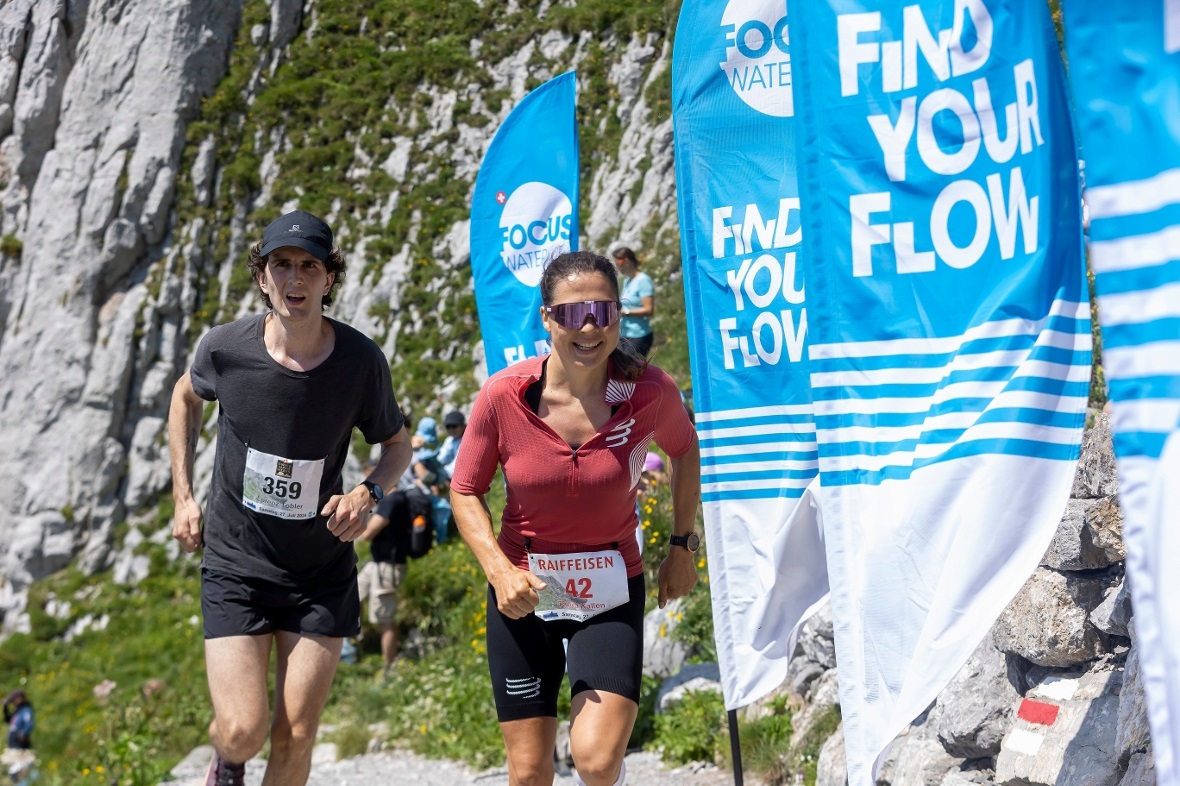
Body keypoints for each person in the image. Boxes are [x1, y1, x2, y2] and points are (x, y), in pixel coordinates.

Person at [168, 210, 412, 786]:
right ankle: (226, 763)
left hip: (319, 570)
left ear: (330, 279)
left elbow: (396, 444)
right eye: (281, 265)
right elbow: (185, 398)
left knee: (296, 735)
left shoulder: (360, 362)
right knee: (243, 730)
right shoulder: (226, 349)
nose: (294, 279)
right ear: (262, 276)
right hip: (237, 564)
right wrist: (183, 496)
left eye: (310, 266)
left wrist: (369, 491)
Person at [450, 251, 702, 786]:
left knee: (594, 759)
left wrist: (682, 547)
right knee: (527, 771)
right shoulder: (505, 396)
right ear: (547, 319)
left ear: (620, 315)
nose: (588, 326)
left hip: (608, 591)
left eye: (603, 311)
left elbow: (685, 450)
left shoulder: (648, 392)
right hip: (525, 590)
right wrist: (498, 571)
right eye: (570, 314)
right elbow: (464, 489)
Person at [612, 247, 655, 357]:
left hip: (639, 334)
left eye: (617, 262)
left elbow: (649, 309)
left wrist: (625, 312)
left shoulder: (643, 280)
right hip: (625, 334)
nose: (616, 266)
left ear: (626, 261)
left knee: (631, 370)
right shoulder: (627, 281)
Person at [437, 410, 466, 479]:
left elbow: (457, 465)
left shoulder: (466, 441)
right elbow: (441, 457)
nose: (451, 429)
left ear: (463, 426)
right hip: (449, 475)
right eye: (448, 426)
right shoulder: (449, 440)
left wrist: (441, 474)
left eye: (454, 426)